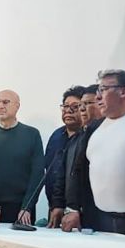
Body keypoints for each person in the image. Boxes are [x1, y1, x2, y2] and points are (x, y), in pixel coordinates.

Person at [61, 70, 125, 237]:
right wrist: (73, 208)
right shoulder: (93, 128)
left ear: (124, 91)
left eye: (104, 90)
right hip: (97, 219)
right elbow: (78, 171)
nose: (98, 96)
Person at [0, 90, 44, 224]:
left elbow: (38, 174)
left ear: (17, 106)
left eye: (5, 102)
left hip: (21, 209)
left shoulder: (32, 134)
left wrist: (27, 207)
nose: (0, 106)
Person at [44, 86, 85, 228]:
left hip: (79, 212)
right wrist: (55, 205)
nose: (68, 110)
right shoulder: (56, 136)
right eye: (65, 106)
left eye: (75, 106)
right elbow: (50, 172)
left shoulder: (88, 136)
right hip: (55, 208)